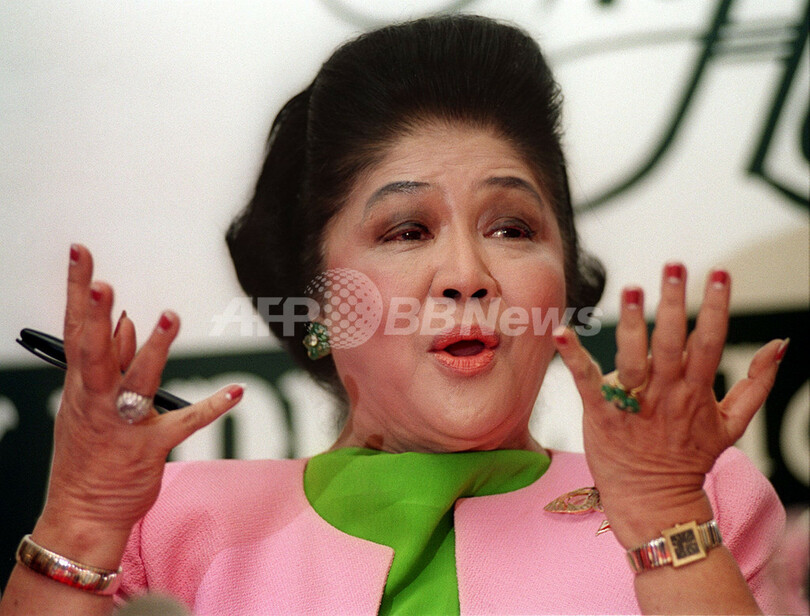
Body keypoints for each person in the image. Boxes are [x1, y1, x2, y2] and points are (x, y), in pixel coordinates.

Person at [0, 14, 787, 615]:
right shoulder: (168, 526)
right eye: (407, 231)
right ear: (316, 300)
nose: (467, 276)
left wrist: (665, 525)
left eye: (513, 229)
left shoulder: (700, 503)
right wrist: (81, 522)